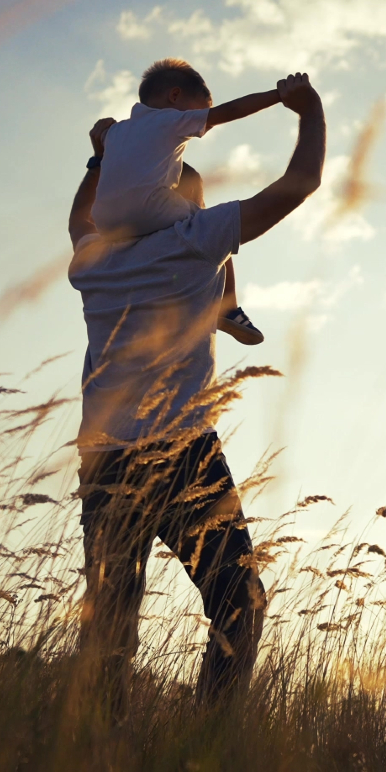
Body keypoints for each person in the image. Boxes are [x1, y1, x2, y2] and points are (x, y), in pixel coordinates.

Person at [66, 72, 326, 711]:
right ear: (183, 202)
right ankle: (204, 751)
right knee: (240, 608)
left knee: (108, 631)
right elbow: (300, 185)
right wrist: (309, 110)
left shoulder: (88, 259)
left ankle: (96, 765)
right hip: (183, 454)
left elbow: (80, 213)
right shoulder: (194, 240)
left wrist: (103, 156)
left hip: (104, 461)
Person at [90, 58, 281, 345]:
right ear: (175, 96)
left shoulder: (115, 132)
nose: (206, 125)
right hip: (148, 207)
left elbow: (101, 134)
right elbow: (232, 110)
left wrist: (99, 144)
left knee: (184, 189)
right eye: (201, 113)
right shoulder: (170, 120)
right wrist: (279, 95)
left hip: (104, 222)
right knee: (213, 223)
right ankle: (228, 308)